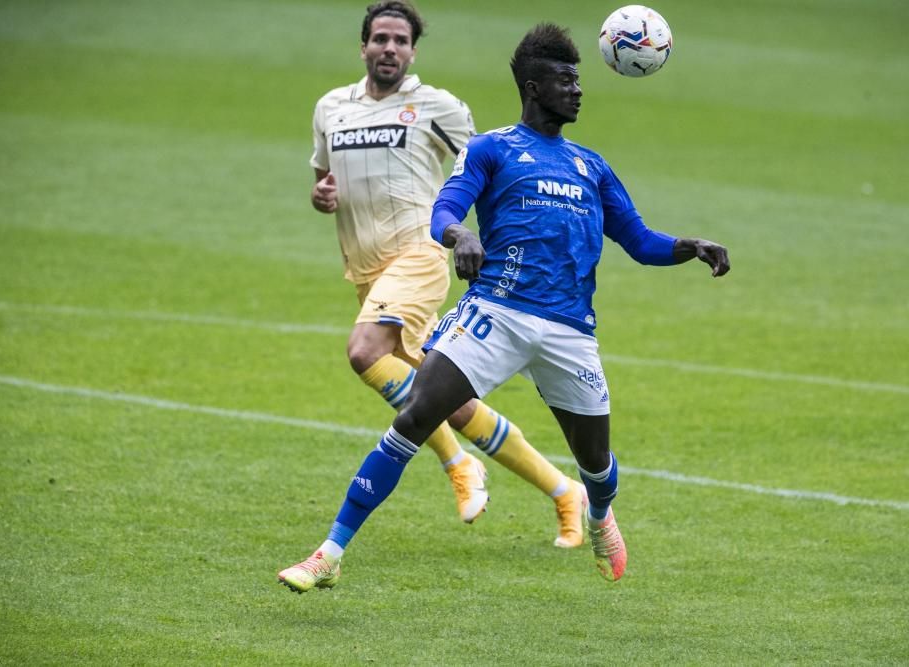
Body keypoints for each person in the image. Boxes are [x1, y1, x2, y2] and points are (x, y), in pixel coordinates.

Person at [279, 21, 730, 591]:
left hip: (570, 330)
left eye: (578, 79)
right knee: (414, 417)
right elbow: (445, 208)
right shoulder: (492, 149)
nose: (578, 89)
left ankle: (597, 515)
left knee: (597, 465)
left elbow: (639, 242)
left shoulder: (592, 166)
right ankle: (329, 554)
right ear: (535, 88)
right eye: (566, 80)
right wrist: (460, 237)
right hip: (496, 313)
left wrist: (689, 247)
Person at [304, 1, 587, 551]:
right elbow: (324, 179)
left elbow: (490, 168)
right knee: (450, 401)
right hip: (367, 266)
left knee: (365, 352)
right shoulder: (331, 108)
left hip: (419, 255)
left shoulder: (437, 107)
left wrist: (478, 236)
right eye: (380, 39)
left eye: (401, 41)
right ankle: (563, 490)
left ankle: (458, 464)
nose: (390, 48)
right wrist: (322, 196)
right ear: (363, 46)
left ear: (412, 51)